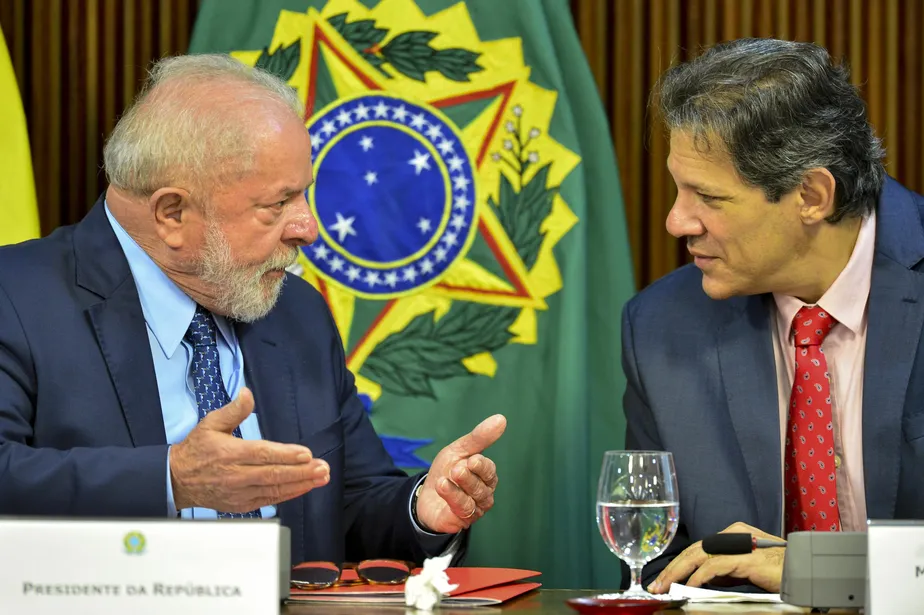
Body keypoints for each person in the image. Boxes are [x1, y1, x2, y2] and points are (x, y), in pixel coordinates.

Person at [0, 53, 507, 566]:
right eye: (277, 204)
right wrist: (171, 480)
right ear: (172, 213)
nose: (308, 228)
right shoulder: (15, 296)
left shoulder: (297, 312)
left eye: (304, 195)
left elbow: (350, 503)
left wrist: (423, 509)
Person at [620, 37, 924, 594]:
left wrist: (824, 572)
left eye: (709, 197)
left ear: (811, 195)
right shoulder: (661, 327)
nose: (676, 222)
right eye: (678, 189)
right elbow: (655, 572)